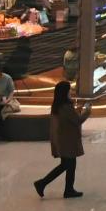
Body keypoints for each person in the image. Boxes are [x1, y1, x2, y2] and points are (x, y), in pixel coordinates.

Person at [35, 65, 87, 198]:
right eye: (69, 91)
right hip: (68, 141)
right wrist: (87, 112)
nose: (71, 92)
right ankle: (44, 183)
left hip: (62, 139)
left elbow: (70, 118)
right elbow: (77, 120)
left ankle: (67, 189)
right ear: (65, 92)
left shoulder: (57, 106)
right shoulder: (66, 106)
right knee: (68, 164)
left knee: (67, 164)